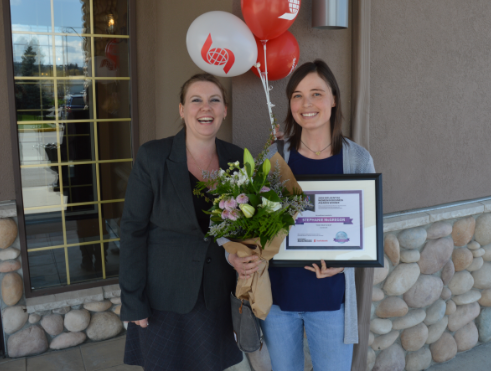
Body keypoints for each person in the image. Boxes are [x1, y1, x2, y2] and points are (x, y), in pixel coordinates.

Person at [119, 73, 258, 370]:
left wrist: (238, 255)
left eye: (214, 100)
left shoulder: (238, 159)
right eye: (196, 100)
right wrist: (133, 300)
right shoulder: (153, 156)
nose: (205, 108)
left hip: (215, 295)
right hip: (163, 298)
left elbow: (240, 229)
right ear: (182, 110)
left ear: (224, 110)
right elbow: (133, 230)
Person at [257, 60, 375, 370]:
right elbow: (255, 222)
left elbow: (368, 230)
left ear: (334, 99)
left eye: (316, 94)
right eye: (297, 95)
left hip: (330, 300)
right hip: (280, 300)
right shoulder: (275, 155)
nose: (305, 104)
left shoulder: (357, 158)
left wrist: (344, 262)